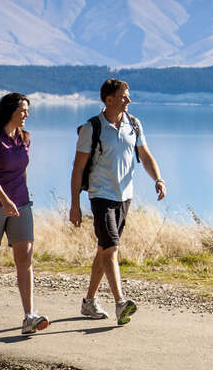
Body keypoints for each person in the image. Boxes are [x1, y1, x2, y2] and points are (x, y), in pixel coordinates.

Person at [69, 78, 166, 325]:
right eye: (124, 96)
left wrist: (158, 178)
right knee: (112, 248)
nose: (129, 100)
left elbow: (144, 155)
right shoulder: (92, 128)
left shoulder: (134, 124)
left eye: (128, 95)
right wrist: (74, 204)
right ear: (109, 100)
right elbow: (78, 168)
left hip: (125, 196)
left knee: (104, 249)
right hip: (101, 195)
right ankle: (120, 302)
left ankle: (89, 302)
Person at [0, 92, 50, 336]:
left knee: (25, 259)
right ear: (10, 111)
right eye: (23, 110)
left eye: (27, 110)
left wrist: (21, 199)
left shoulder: (25, 138)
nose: (27, 114)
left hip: (21, 205)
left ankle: (29, 316)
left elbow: (22, 171)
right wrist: (5, 201)